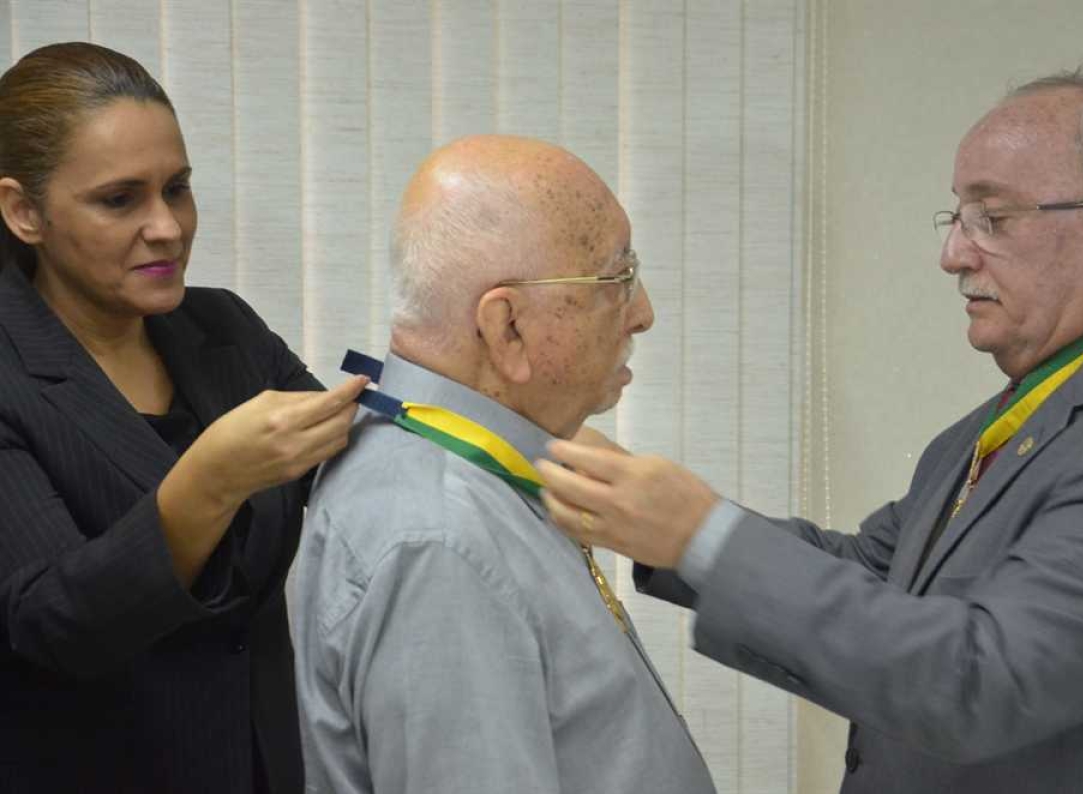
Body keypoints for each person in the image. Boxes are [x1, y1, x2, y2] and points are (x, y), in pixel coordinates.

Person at [536, 68, 1083, 793]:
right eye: (958, 218)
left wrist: (701, 536)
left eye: (996, 219)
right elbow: (876, 576)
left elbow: (982, 681)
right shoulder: (1001, 423)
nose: (954, 255)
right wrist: (638, 513)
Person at [291, 134, 715, 794]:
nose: (643, 313)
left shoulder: (467, 477)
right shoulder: (440, 538)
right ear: (507, 327)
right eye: (618, 279)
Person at [0, 42, 365, 793]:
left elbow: (349, 450)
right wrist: (207, 484)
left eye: (178, 188)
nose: (168, 227)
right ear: (23, 211)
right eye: (120, 199)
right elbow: (55, 623)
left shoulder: (223, 329)